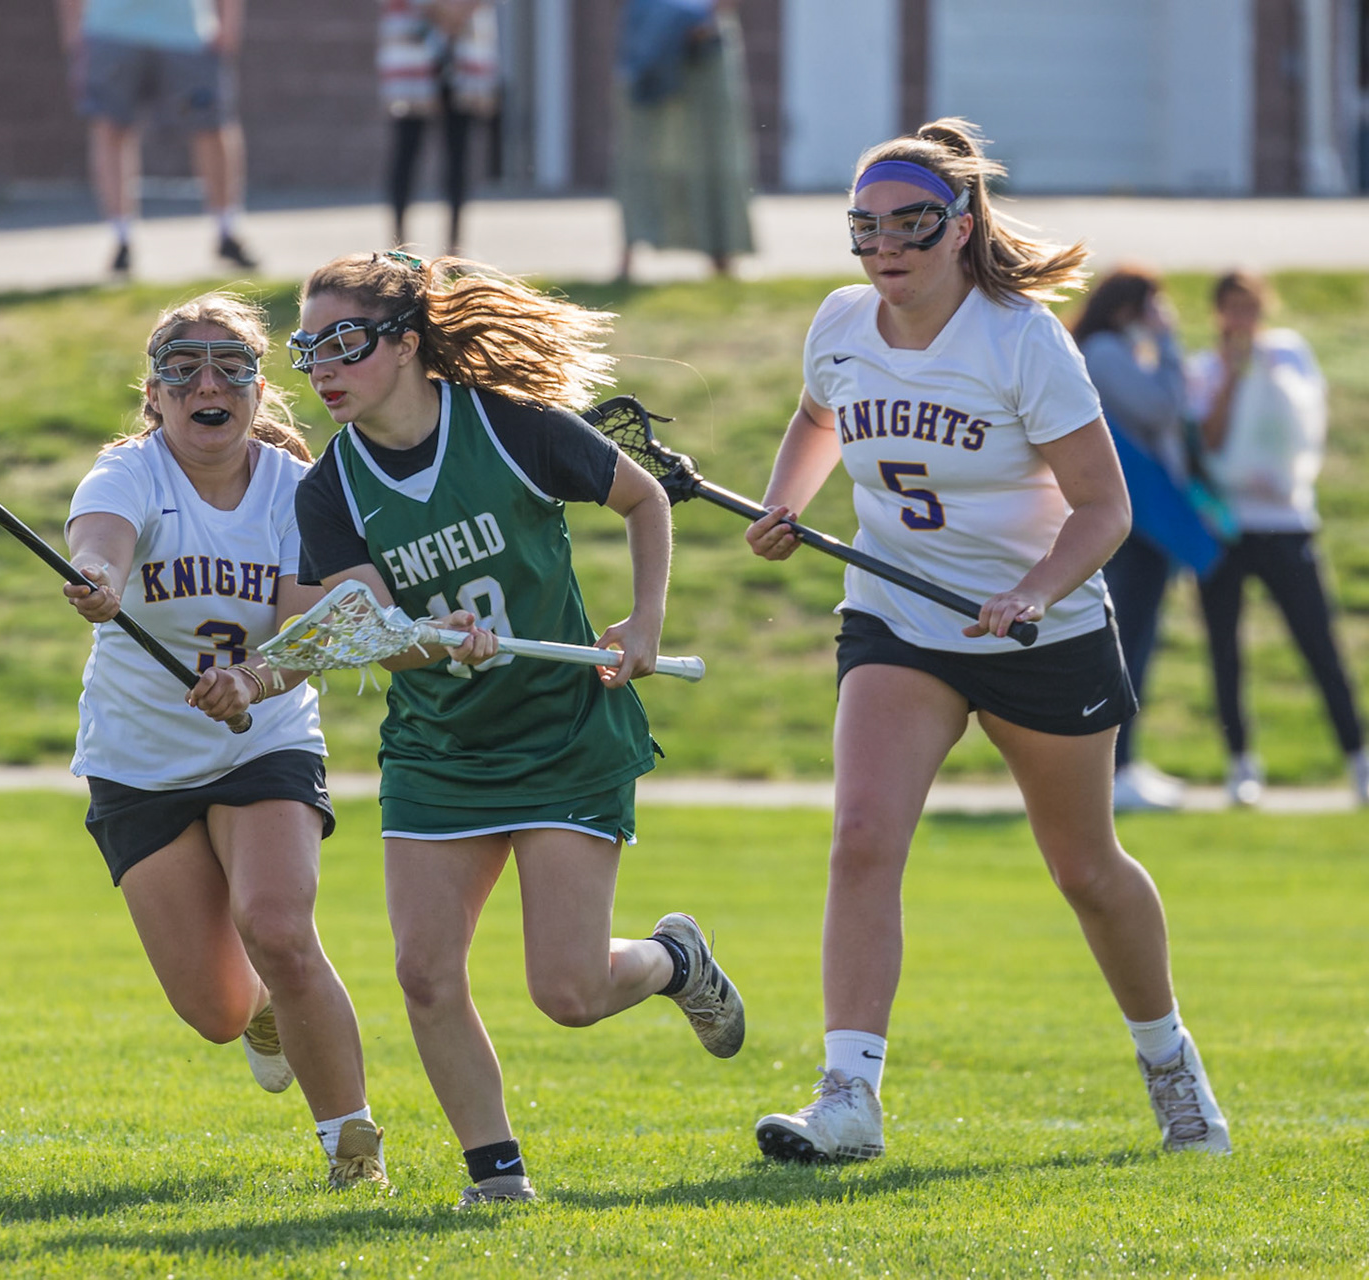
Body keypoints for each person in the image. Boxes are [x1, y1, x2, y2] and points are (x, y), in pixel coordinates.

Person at [742, 118, 1230, 1162]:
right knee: (861, 835)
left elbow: (1105, 509)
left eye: (910, 224)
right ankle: (848, 1095)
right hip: (899, 618)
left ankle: (1171, 1064)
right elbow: (818, 417)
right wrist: (787, 502)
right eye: (865, 226)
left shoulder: (1021, 340)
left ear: (959, 226)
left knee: (1084, 867)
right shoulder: (840, 322)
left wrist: (1031, 591)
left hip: (1042, 634)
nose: (885, 246)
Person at [289, 251, 746, 1208]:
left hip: (563, 733)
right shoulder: (328, 490)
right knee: (423, 974)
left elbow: (644, 500)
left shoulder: (507, 425)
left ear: (406, 343)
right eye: (309, 349)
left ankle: (675, 960)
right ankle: (496, 1177)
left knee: (568, 994)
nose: (324, 367)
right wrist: (431, 641)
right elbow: (383, 634)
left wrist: (646, 623)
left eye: (346, 342)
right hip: (440, 747)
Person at [62, 292, 385, 1188]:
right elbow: (99, 544)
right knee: (216, 1011)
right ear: (154, 394)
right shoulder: (127, 474)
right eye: (183, 370)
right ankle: (262, 1006)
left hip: (262, 739)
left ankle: (352, 1148)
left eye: (231, 368)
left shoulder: (297, 489)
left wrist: (252, 679)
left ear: (258, 389)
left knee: (278, 927)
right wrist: (96, 578)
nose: (208, 385)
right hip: (139, 757)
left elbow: (303, 631)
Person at [1186, 270, 1368, 807]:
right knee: (1225, 650)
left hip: (1287, 524)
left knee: (1319, 646)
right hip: (1227, 528)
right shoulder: (1204, 369)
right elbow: (1207, 443)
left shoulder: (1290, 354)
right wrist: (1232, 377)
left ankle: (1357, 758)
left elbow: (1304, 428)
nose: (1242, 318)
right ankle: (1241, 762)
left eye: (1250, 306)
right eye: (1232, 307)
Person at [1069, 268, 1193, 811]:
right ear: (1128, 308)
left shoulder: (1104, 349)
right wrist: (1169, 344)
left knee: (1135, 641)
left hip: (1139, 521)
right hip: (1138, 524)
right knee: (1129, 644)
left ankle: (1124, 764)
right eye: (1152, 306)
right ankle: (1116, 769)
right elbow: (1163, 407)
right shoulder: (1105, 351)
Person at [54, 0, 257, 278]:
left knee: (212, 127)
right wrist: (72, 28)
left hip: (189, 34)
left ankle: (226, 230)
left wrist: (229, 20)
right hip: (110, 31)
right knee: (111, 130)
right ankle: (121, 239)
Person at [613, 0, 756, 281]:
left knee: (713, 151)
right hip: (648, 39)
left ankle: (721, 257)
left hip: (707, 48)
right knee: (642, 155)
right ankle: (628, 258)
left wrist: (706, 16)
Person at [378, 0, 499, 256]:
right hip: (412, 50)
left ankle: (454, 249)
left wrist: (459, 9)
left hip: (462, 48)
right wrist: (439, 8)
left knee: (459, 155)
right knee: (407, 150)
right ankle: (399, 248)